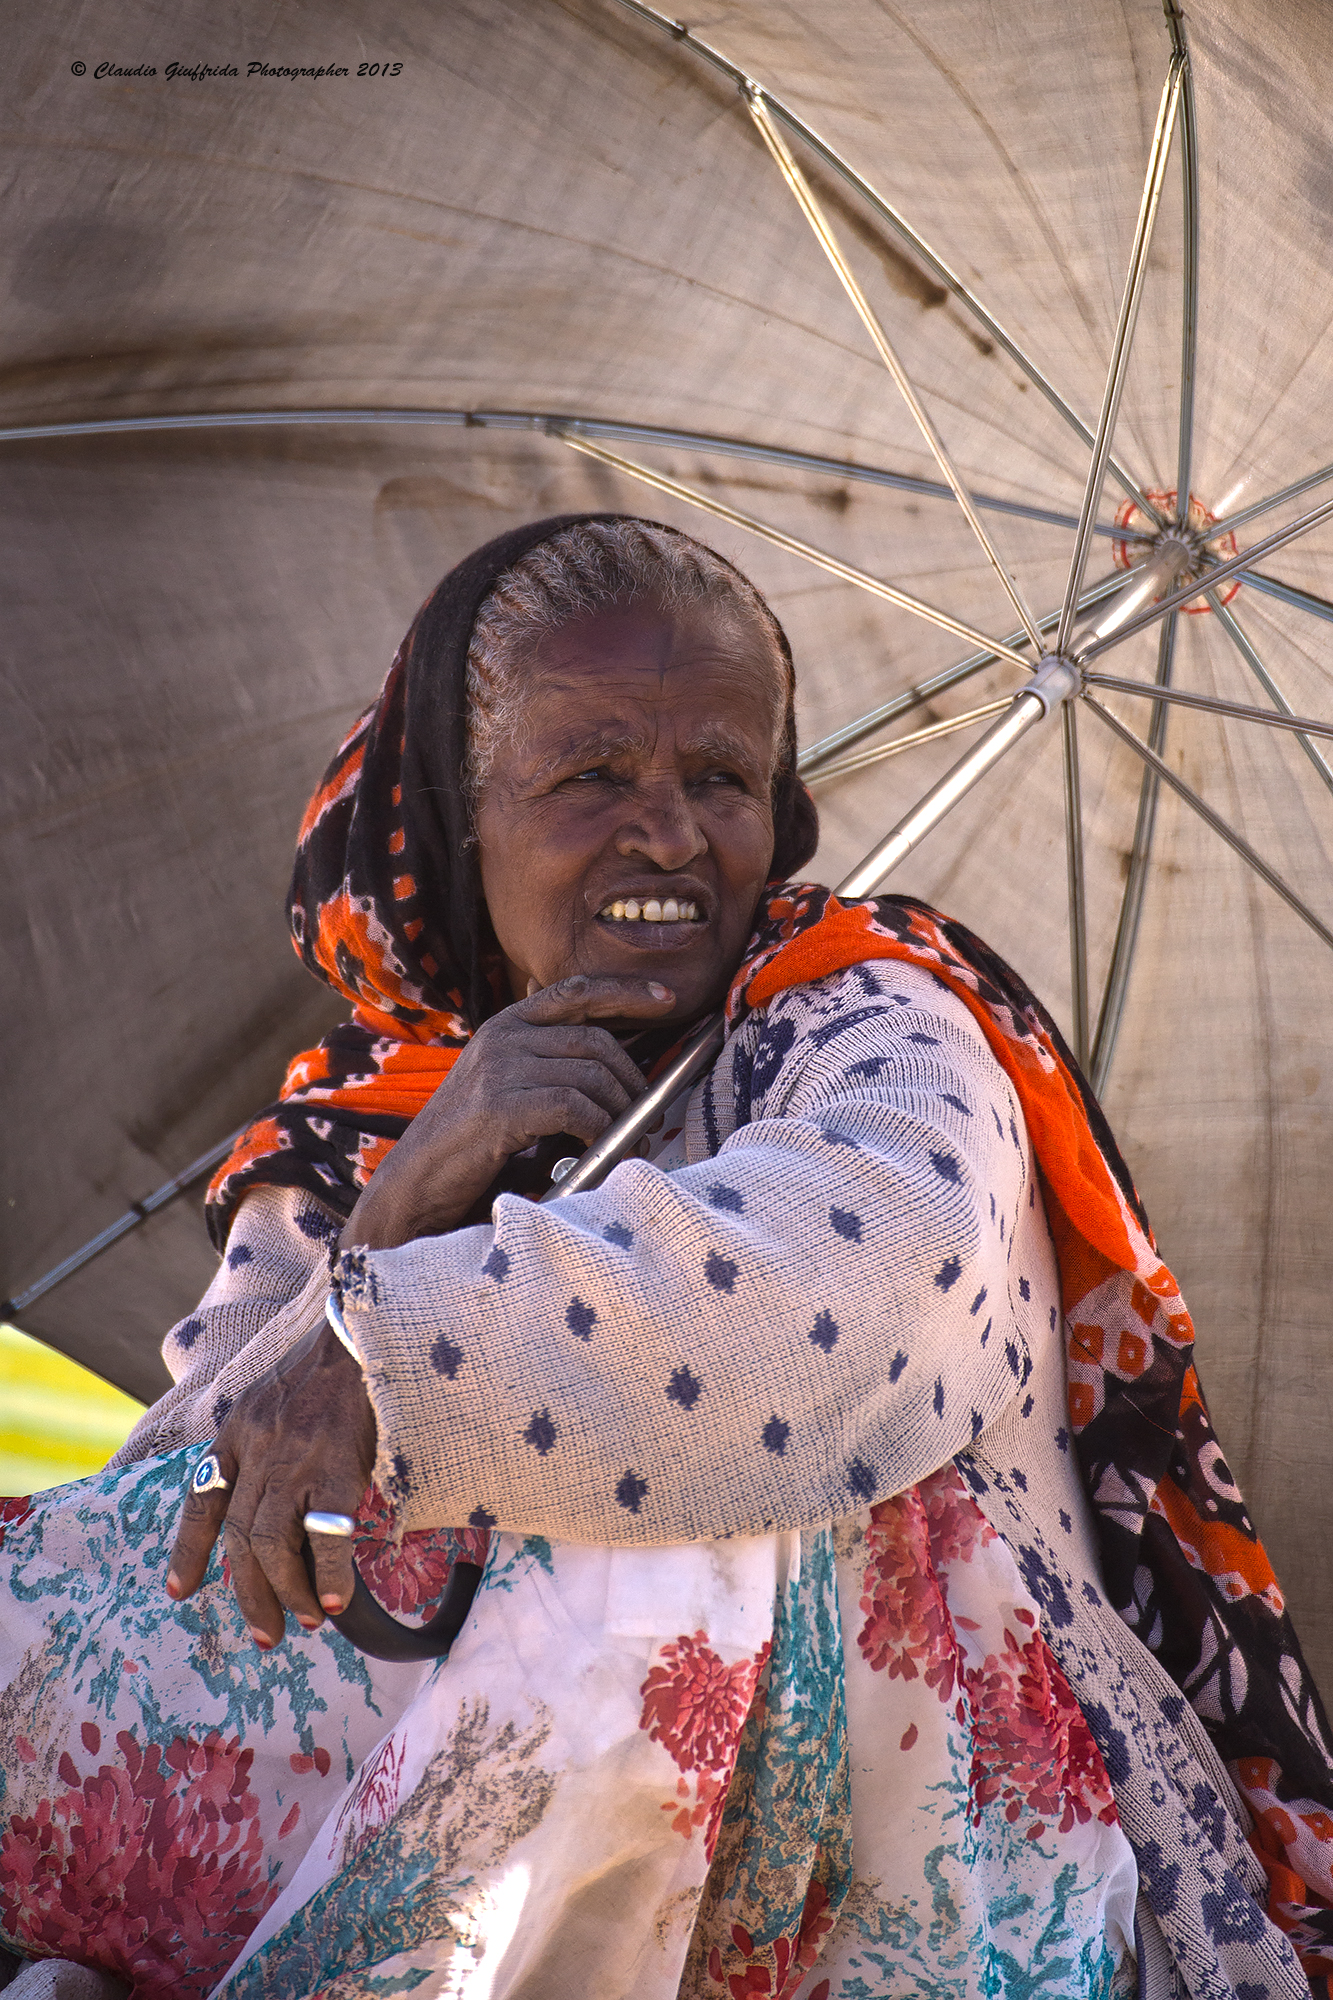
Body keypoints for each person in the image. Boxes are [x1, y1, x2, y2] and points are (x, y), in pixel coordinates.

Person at [3, 516, 1333, 2000]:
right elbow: (183, 1502)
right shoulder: (359, 1128)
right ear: (456, 814)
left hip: (944, 1862)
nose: (671, 834)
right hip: (466, 1813)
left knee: (682, 1530)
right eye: (591, 775)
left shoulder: (873, 1028)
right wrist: (405, 1201)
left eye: (720, 776)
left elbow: (834, 1307)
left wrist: (384, 1354)